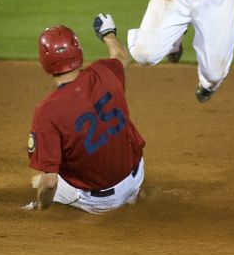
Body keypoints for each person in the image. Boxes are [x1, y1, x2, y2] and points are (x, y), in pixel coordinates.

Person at [23, 13, 145, 213]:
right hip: (136, 176)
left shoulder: (48, 111)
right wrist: (107, 33)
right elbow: (121, 56)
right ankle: (133, 195)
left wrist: (43, 207)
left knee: (40, 181)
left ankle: (43, 208)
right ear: (77, 50)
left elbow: (50, 182)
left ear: (44, 62)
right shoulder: (104, 71)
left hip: (100, 202)